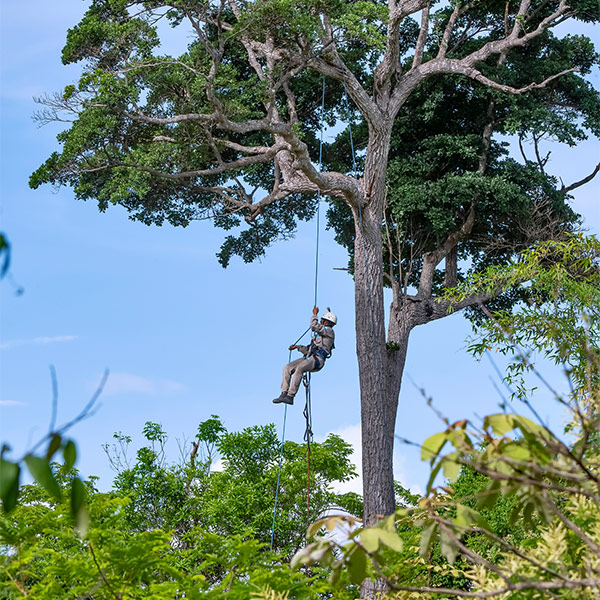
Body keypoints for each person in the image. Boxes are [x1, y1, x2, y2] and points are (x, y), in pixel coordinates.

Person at [273, 306, 337, 405]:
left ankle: (290, 396)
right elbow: (308, 350)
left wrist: (315, 315)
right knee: (287, 367)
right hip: (309, 357)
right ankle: (284, 393)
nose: (320, 321)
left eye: (322, 320)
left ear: (326, 322)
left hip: (317, 360)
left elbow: (313, 326)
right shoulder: (319, 335)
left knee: (300, 368)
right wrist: (297, 347)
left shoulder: (329, 331)